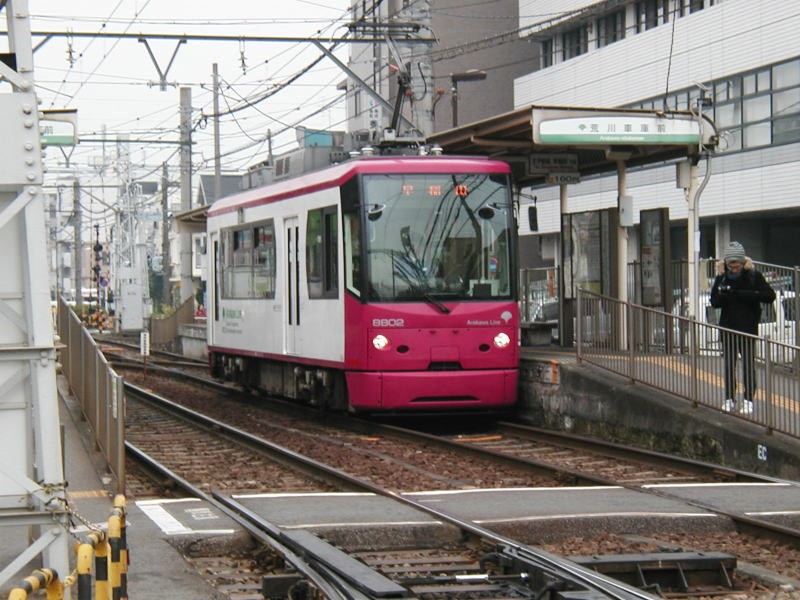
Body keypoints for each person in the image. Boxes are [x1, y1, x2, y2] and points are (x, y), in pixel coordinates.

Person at [709, 241, 775, 414]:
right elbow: (714, 302)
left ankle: (748, 399)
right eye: (730, 265)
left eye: (737, 264)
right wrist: (725, 294)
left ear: (742, 262)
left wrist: (742, 294)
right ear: (726, 263)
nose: (734, 268)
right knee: (729, 366)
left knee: (748, 366)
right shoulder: (722, 277)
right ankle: (729, 398)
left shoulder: (753, 276)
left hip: (747, 329)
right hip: (728, 329)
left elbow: (769, 296)